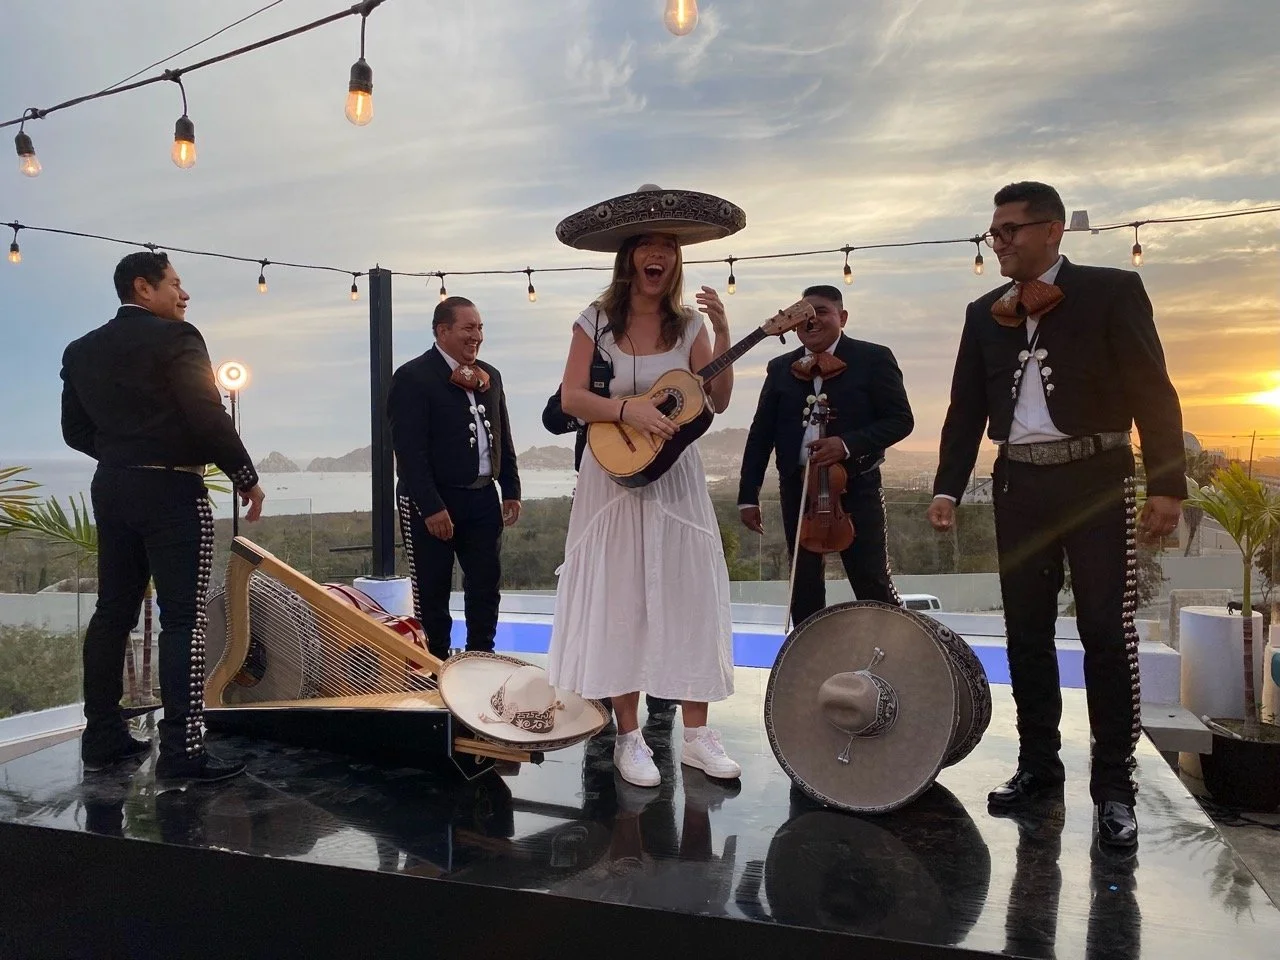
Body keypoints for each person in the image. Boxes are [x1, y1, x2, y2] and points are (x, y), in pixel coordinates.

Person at [927, 181, 1185, 848]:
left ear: (1052, 231)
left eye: (1010, 230)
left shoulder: (1111, 292)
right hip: (1019, 484)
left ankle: (1114, 787)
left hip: (1098, 477)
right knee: (1027, 634)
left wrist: (1167, 484)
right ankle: (1039, 768)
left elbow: (1152, 388)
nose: (1000, 242)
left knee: (1105, 630)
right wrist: (947, 487)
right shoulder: (984, 312)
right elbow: (965, 411)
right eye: (995, 232)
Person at [547, 182, 747, 788]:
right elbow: (570, 397)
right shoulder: (596, 321)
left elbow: (717, 397)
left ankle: (696, 737)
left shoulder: (689, 327)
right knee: (621, 599)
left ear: (677, 259)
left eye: (670, 245)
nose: (659, 255)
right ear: (630, 254)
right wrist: (626, 411)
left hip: (676, 474)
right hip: (610, 475)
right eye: (648, 244)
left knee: (687, 592)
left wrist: (725, 332)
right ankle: (628, 737)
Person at [61, 251, 266, 783]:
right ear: (143, 288)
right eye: (175, 283)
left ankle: (101, 737)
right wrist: (245, 475)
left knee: (112, 613)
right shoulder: (179, 338)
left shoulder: (80, 350)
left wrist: (125, 452)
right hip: (173, 491)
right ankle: (182, 751)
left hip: (113, 486)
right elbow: (206, 412)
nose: (185, 293)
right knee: (184, 619)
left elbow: (74, 433)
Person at [737, 284, 914, 627]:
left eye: (822, 312)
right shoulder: (779, 367)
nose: (812, 320)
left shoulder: (874, 357)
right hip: (797, 490)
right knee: (803, 585)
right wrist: (748, 496)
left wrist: (846, 444)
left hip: (854, 488)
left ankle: (894, 655)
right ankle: (808, 659)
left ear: (842, 317)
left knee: (871, 580)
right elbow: (761, 434)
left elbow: (901, 420)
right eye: (804, 313)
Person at [389, 296, 521, 662]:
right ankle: (436, 666)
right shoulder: (413, 377)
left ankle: (482, 660)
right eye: (468, 328)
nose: (476, 335)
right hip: (432, 502)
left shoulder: (490, 375)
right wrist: (432, 507)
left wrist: (510, 488)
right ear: (442, 331)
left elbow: (503, 436)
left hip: (482, 498)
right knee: (432, 590)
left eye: (479, 328)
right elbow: (409, 453)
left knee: (485, 586)